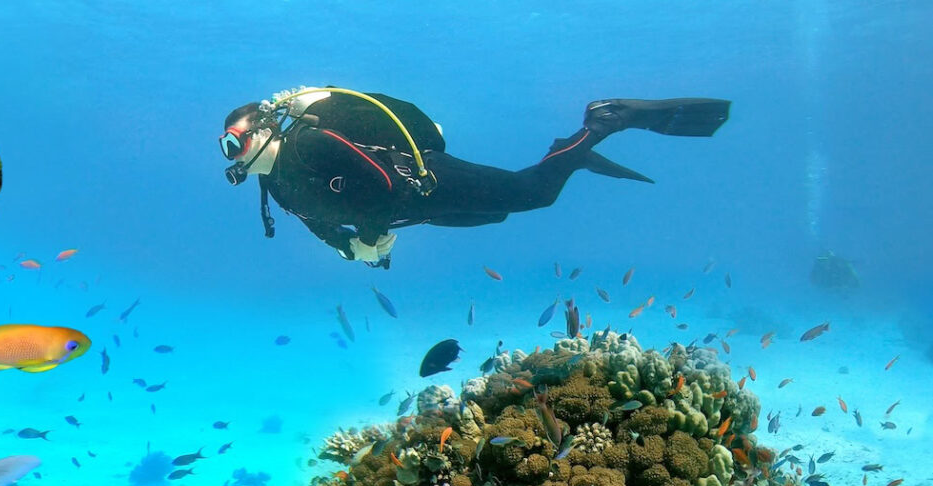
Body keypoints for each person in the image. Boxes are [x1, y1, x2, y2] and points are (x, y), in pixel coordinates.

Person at [219, 89, 731, 267]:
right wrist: (349, 249)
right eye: (228, 148)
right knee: (499, 213)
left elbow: (376, 180)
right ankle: (569, 155)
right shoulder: (275, 182)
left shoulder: (308, 143)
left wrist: (373, 235)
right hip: (421, 211)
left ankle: (596, 128)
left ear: (264, 131)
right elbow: (314, 217)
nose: (232, 154)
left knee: (534, 195)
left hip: (427, 184)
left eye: (234, 141)